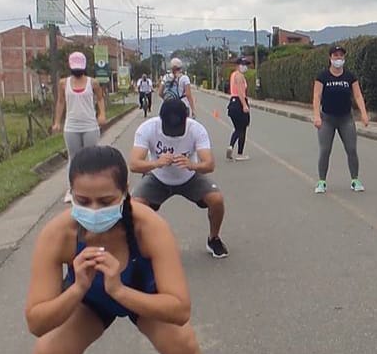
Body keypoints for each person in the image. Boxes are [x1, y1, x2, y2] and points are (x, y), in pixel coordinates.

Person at [24, 145, 212, 354]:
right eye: (83, 201)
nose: (93, 211)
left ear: (125, 192)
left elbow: (180, 308)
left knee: (182, 345)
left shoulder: (148, 226)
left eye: (106, 200)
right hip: (91, 300)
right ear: (70, 194)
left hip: (141, 293)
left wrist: (120, 291)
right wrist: (78, 289)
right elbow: (37, 321)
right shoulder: (58, 234)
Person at [129, 98, 230, 259]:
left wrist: (192, 165)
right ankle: (141, 244)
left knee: (216, 199)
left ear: (186, 119)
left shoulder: (196, 129)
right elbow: (134, 164)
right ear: (161, 119)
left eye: (178, 129)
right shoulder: (147, 128)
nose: (174, 134)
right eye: (169, 129)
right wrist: (157, 163)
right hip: (158, 178)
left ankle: (214, 239)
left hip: (189, 177)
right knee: (134, 206)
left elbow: (209, 165)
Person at [312, 45, 370, 194]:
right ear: (330, 58)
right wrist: (316, 116)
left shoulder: (349, 76)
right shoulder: (323, 76)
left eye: (341, 56)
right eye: (336, 55)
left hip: (346, 119)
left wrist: (363, 113)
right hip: (327, 119)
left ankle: (355, 180)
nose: (338, 58)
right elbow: (317, 96)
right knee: (325, 150)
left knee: (351, 149)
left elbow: (358, 95)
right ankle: (322, 181)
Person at [53, 52, 107, 203]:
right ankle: (72, 188)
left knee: (90, 157)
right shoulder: (63, 83)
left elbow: (100, 99)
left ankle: (91, 187)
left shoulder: (93, 83)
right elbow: (60, 102)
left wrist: (102, 114)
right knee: (74, 157)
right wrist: (57, 121)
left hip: (89, 124)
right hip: (72, 125)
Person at [226, 58, 251, 161]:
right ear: (238, 65)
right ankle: (240, 153)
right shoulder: (239, 76)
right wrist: (244, 105)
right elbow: (240, 92)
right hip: (239, 103)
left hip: (232, 102)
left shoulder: (233, 75)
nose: (245, 67)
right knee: (242, 129)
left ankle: (230, 146)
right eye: (243, 64)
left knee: (237, 129)